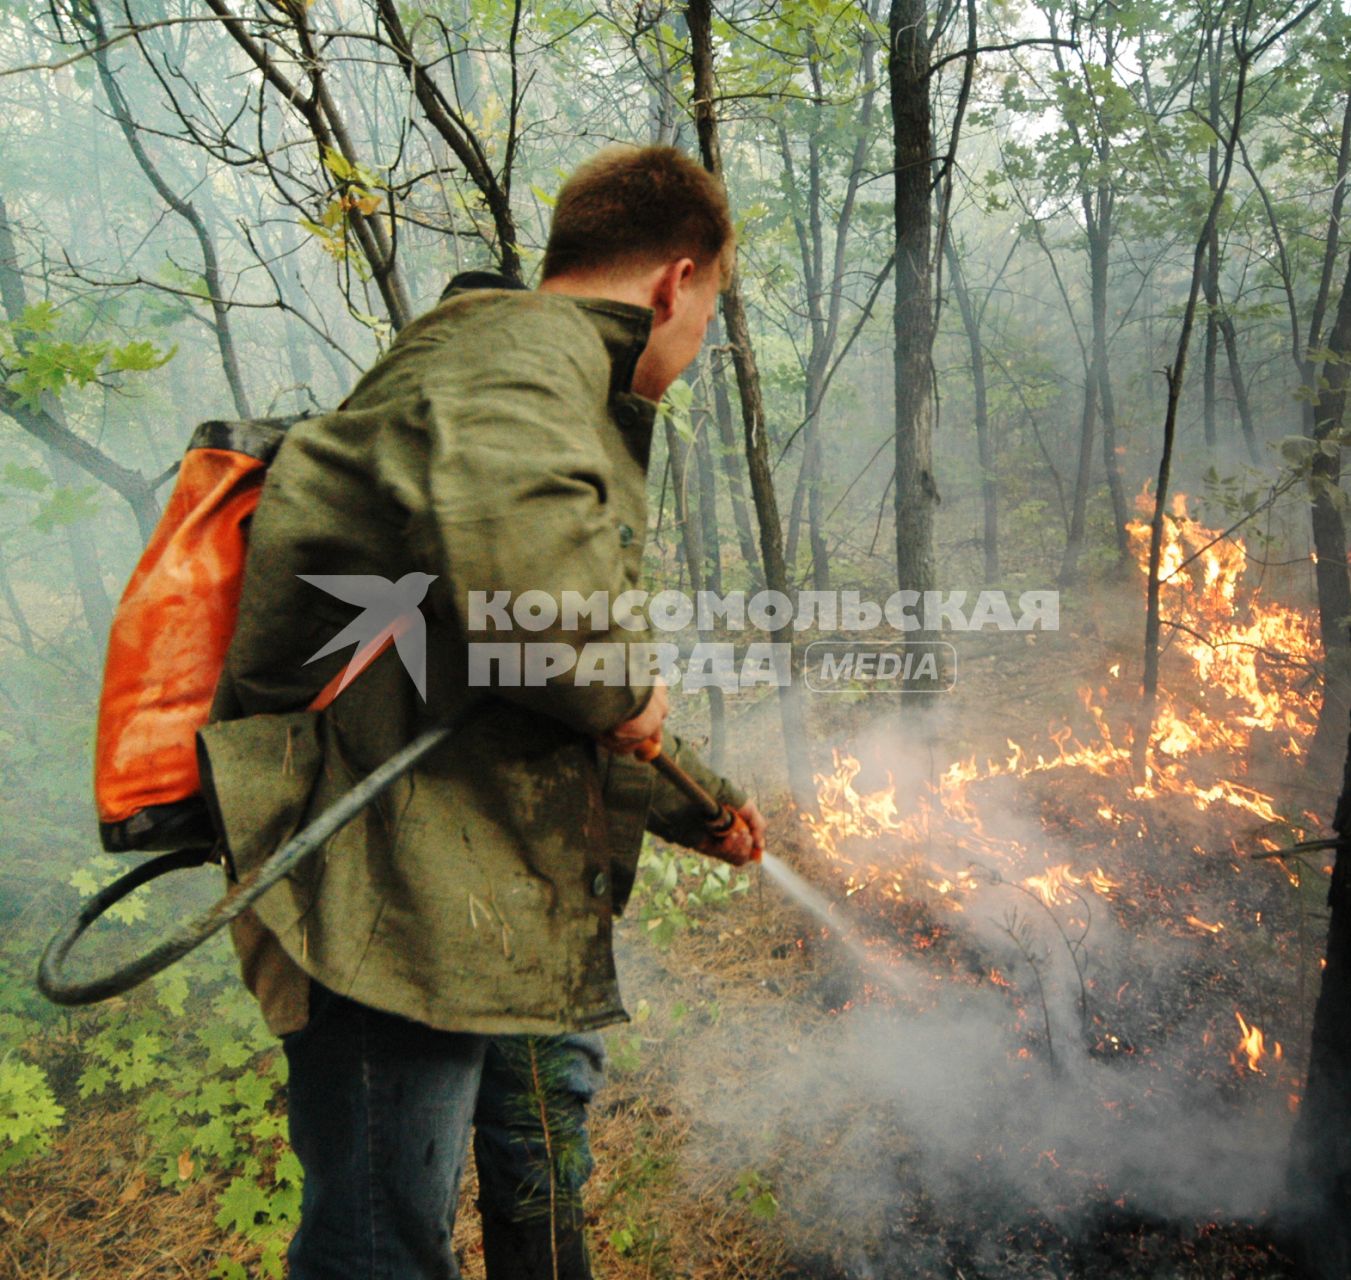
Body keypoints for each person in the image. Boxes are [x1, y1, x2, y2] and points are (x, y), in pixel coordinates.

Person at [199, 143, 766, 1279]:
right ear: (676, 280)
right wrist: (624, 682)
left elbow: (502, 674)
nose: (697, 346)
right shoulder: (513, 359)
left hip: (451, 873)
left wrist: (699, 801)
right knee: (378, 1245)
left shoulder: (518, 379)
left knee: (495, 1170)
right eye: (708, 313)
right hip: (376, 889)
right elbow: (547, 618)